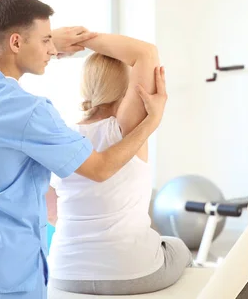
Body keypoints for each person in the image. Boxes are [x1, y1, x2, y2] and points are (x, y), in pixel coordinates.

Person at [0, 0, 168, 299]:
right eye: (45, 41)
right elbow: (99, 169)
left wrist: (49, 39)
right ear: (17, 42)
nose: (51, 50)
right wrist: (150, 124)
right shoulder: (29, 112)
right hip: (9, 270)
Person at [46, 33, 192, 295]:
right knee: (177, 248)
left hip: (64, 271)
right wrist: (85, 37)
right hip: (132, 271)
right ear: (127, 90)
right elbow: (146, 53)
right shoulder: (126, 129)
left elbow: (50, 211)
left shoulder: (61, 135)